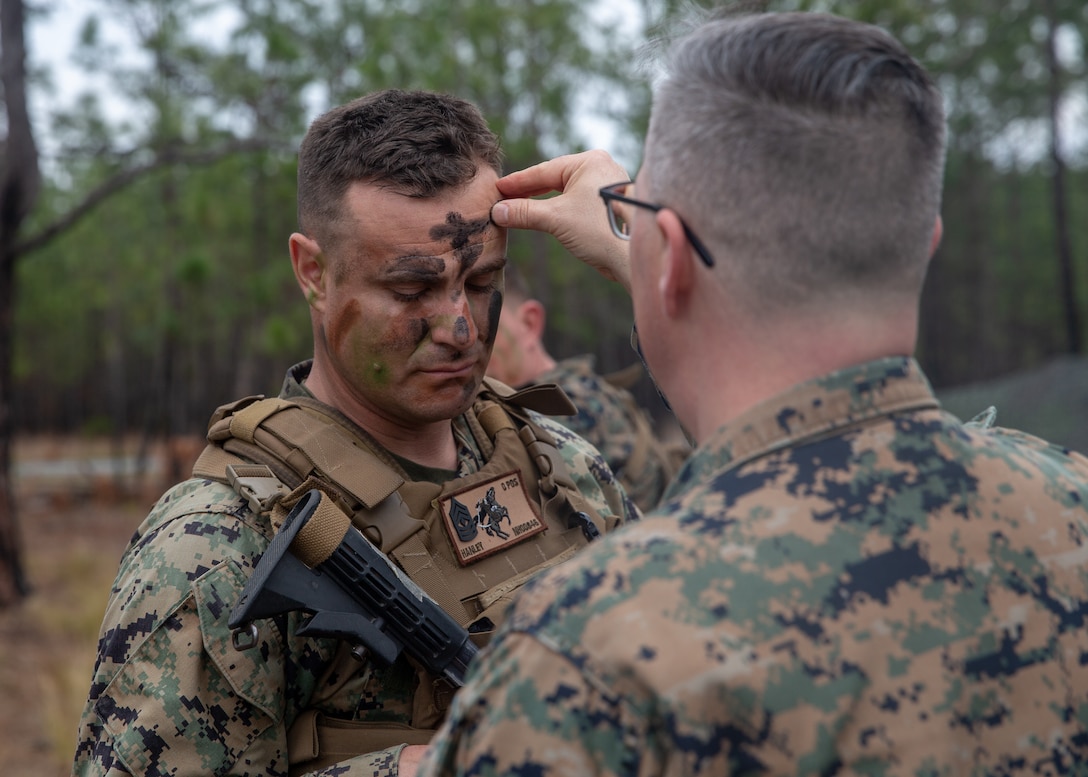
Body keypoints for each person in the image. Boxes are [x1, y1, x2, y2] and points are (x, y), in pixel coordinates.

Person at [419, 12, 1088, 776]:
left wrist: (661, 262)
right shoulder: (1068, 508)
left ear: (665, 259)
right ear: (923, 244)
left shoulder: (594, 652)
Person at [72, 89, 638, 777]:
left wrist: (643, 258)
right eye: (410, 291)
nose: (460, 327)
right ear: (313, 272)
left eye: (484, 280)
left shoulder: (557, 462)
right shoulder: (217, 546)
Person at [486, 263, 688, 510]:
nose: (466, 338)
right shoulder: (582, 388)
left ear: (529, 324)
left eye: (488, 323)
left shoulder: (566, 408)